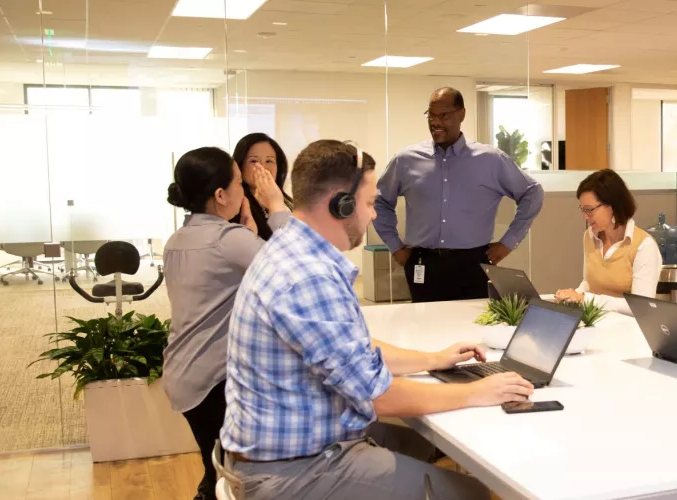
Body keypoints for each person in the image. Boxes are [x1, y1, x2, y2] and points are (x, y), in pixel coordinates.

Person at [222, 139, 534, 499]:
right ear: (340, 204)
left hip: (296, 445)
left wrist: (434, 359)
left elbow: (354, 348)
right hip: (295, 472)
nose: (373, 215)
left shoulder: (293, 249)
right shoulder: (309, 276)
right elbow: (378, 396)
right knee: (472, 494)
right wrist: (476, 392)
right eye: (369, 203)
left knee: (425, 444)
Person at [163, 146, 288, 500]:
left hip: (184, 373)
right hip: (211, 380)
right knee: (232, 476)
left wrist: (248, 233)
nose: (244, 189)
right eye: (238, 182)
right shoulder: (227, 239)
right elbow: (295, 265)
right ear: (220, 195)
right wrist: (275, 207)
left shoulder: (178, 239)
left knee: (216, 467)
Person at [374, 87, 545, 303]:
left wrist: (508, 243)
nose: (436, 122)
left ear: (461, 114)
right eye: (431, 115)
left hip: (472, 263)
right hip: (422, 262)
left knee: (471, 322)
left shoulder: (490, 160)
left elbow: (532, 193)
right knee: (424, 321)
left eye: (443, 115)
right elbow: (379, 201)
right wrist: (395, 246)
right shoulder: (406, 160)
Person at [553, 169, 662, 315]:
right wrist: (572, 295)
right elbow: (589, 284)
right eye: (583, 209)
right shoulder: (589, 236)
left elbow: (641, 307)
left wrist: (584, 298)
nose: (585, 216)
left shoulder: (644, 245)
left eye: (589, 210)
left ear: (613, 206)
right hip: (596, 323)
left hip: (626, 327)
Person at [229, 133, 294, 240]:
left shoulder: (285, 203)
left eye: (269, 161)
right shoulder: (236, 207)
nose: (263, 167)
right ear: (240, 166)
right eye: (254, 161)